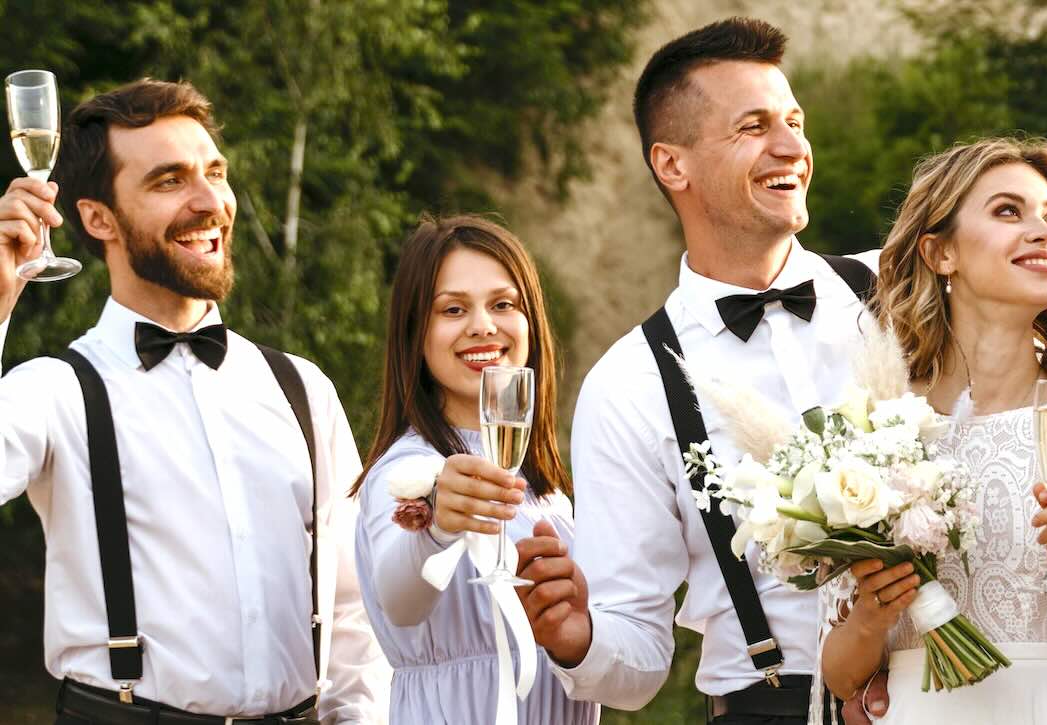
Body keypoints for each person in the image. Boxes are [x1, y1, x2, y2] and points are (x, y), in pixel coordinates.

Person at [512, 17, 883, 724]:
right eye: (753, 128)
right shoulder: (630, 384)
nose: (793, 147)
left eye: (794, 121)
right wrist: (576, 636)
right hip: (770, 708)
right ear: (672, 164)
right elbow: (636, 664)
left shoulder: (897, 292)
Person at [0, 80, 387, 722]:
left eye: (215, 173)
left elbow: (352, 610)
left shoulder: (302, 388)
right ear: (98, 218)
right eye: (170, 181)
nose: (211, 203)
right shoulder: (56, 390)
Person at [818, 137, 1047, 722]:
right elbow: (842, 677)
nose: (1044, 230)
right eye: (1008, 211)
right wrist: (875, 611)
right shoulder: (877, 428)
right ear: (939, 253)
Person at [349, 215, 597, 723]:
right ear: (415, 334)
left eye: (503, 304)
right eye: (454, 309)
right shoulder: (408, 471)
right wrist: (435, 526)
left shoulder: (548, 492)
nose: (483, 325)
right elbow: (398, 598)